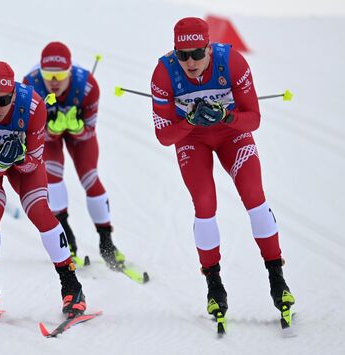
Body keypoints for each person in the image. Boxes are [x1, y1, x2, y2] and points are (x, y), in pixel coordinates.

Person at [150, 17, 295, 321]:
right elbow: (164, 136)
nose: (190, 62)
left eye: (197, 54)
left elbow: (253, 118)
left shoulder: (232, 62)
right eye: (183, 55)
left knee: (255, 196)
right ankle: (214, 286)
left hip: (232, 134)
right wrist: (190, 121)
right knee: (204, 204)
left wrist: (225, 116)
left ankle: (277, 279)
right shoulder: (163, 73)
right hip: (192, 139)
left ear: (209, 48)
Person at [0, 61, 86, 318]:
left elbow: (32, 163)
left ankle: (72, 285)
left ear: (13, 94)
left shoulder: (33, 105)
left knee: (40, 211)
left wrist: (18, 158)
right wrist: (0, 161)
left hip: (21, 162)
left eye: (3, 101)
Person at [23, 42, 125, 270]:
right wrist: (51, 130)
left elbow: (89, 129)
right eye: (48, 75)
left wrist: (77, 128)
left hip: (80, 138)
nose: (54, 81)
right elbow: (31, 136)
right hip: (49, 138)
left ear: (69, 71)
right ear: (40, 72)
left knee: (90, 178)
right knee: (53, 178)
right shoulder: (30, 86)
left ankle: (107, 242)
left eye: (59, 75)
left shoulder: (88, 85)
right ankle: (67, 237)